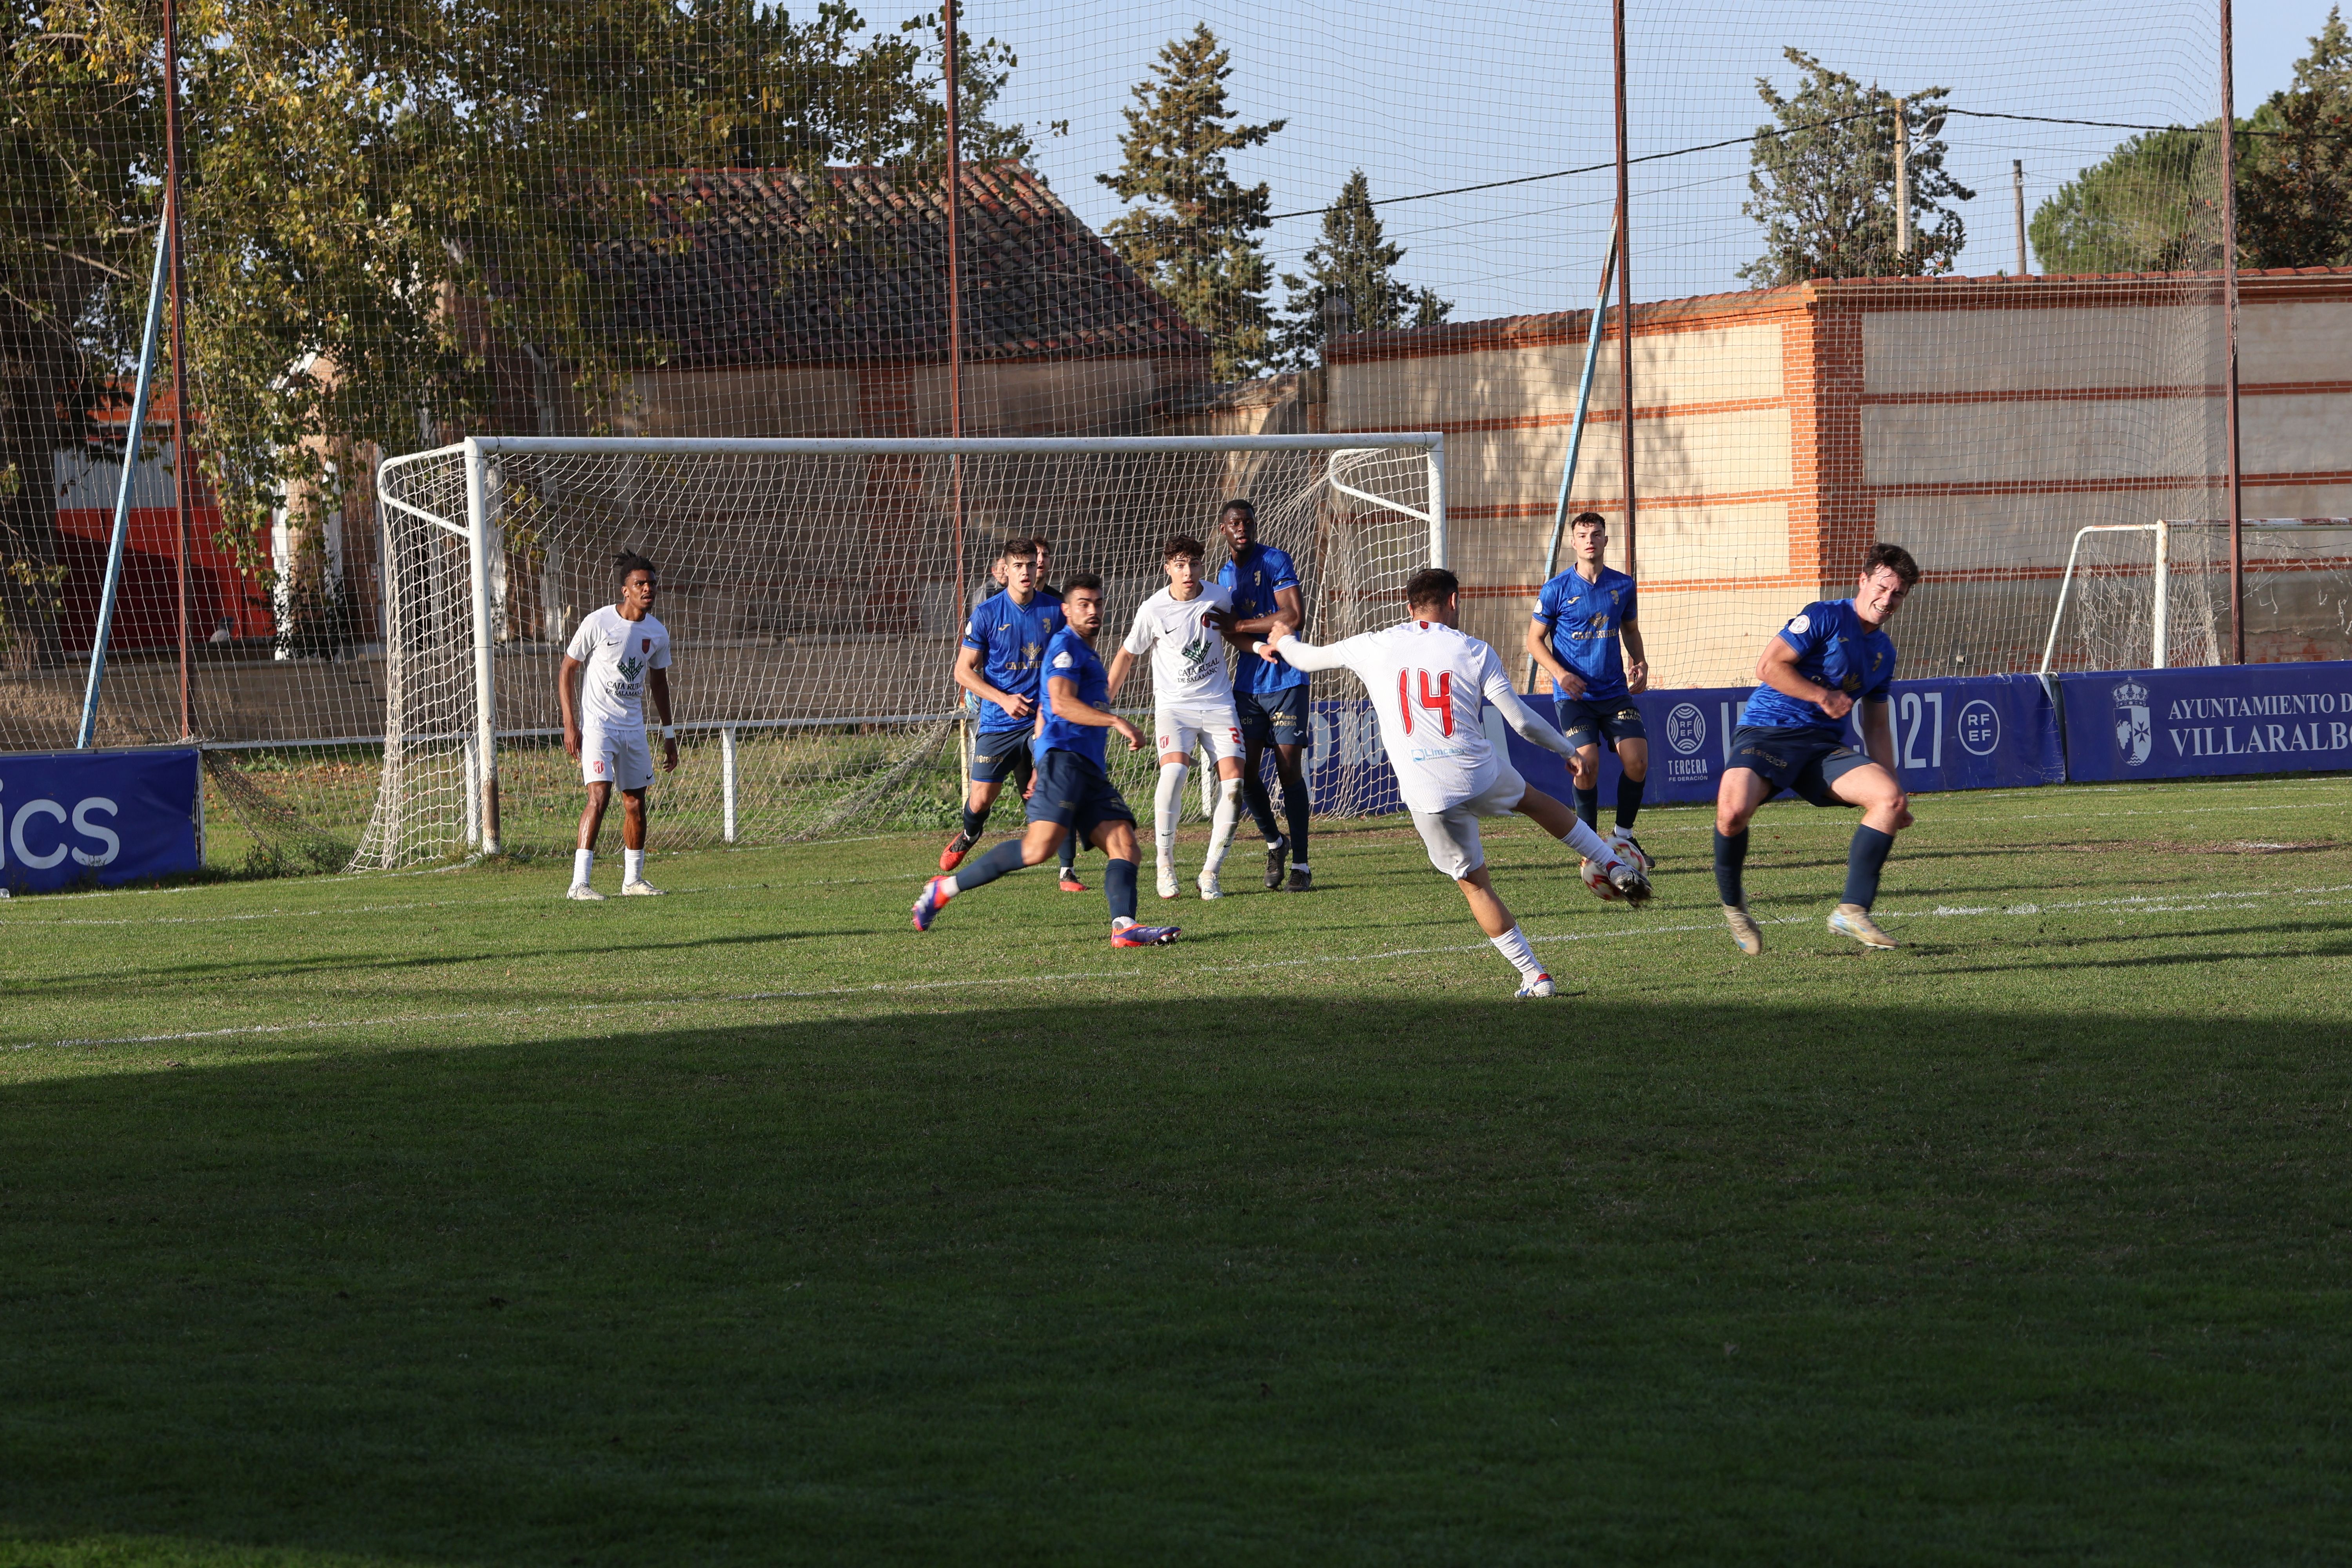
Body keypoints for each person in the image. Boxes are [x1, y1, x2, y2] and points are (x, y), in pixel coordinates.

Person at [1258, 567, 1652, 999]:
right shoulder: (1475, 650)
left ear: (1409, 608)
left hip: (1427, 791)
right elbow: (1520, 721)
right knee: (1536, 802)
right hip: (1478, 770)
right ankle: (1613, 863)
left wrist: (1282, 638)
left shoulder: (1374, 644)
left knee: (1475, 884)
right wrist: (1568, 751)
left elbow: (1305, 659)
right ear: (1454, 601)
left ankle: (1535, 976)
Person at [914, 574, 1182, 947]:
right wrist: (1115, 721)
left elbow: (1043, 711)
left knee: (1125, 845)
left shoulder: (1086, 650)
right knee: (1038, 849)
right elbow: (1060, 703)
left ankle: (1124, 927)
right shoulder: (1066, 647)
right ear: (1066, 610)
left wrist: (1039, 760)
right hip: (1068, 763)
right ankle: (943, 889)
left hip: (1084, 766)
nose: (1093, 611)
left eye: (1098, 604)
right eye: (1083, 604)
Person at [1712, 543, 1922, 955]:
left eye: (1898, 594)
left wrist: (1897, 794)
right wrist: (1820, 697)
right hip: (1767, 732)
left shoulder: (1884, 652)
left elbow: (1876, 725)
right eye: (1882, 587)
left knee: (1890, 800)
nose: (1888, 600)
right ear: (1863, 580)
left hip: (1821, 748)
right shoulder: (1825, 615)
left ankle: (1852, 910)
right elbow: (1769, 667)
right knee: (1732, 813)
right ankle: (1735, 908)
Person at [1106, 533, 1252, 900]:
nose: (1188, 572)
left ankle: (1210, 872)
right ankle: (1165, 865)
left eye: (1194, 564)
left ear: (1202, 565)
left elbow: (1236, 633)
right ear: (1167, 567)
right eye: (1180, 565)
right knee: (1173, 773)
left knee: (1234, 787)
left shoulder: (1219, 597)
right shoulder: (1153, 609)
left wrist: (1266, 645)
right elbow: (1127, 655)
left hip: (1220, 705)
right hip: (1175, 708)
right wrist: (1102, 703)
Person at [940, 537, 1082, 891]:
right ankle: (971, 833)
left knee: (1056, 785)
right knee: (979, 800)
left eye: (1031, 565)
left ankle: (1067, 871)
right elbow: (963, 671)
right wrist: (1002, 700)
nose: (1025, 572)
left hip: (1041, 721)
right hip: (999, 722)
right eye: (1018, 566)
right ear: (1005, 571)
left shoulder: (1055, 610)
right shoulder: (988, 613)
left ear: (1038, 569)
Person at [1524, 510, 1651, 873]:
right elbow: (1534, 642)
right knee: (1587, 765)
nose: (1590, 540)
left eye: (1596, 534)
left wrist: (1639, 661)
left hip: (1614, 693)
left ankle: (1624, 835)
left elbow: (1630, 630)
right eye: (1583, 535)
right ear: (1574, 542)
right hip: (1574, 698)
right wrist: (1561, 675)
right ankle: (1591, 843)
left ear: (1606, 540)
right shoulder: (1557, 589)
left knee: (1638, 761)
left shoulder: (1623, 585)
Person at [558, 550, 677, 900]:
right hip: (597, 725)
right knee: (599, 796)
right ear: (625, 590)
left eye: (651, 584)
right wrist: (570, 723)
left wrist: (669, 735)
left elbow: (659, 684)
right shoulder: (598, 622)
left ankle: (633, 881)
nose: (647, 590)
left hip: (633, 727)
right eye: (639, 584)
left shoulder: (656, 633)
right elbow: (567, 669)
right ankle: (579, 884)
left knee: (635, 804)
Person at [1214, 499, 1314, 891]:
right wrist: (1253, 643)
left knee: (1289, 768)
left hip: (1288, 678)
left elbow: (1294, 615)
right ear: (1223, 529)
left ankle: (1302, 866)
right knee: (1244, 772)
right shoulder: (1223, 576)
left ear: (1254, 527)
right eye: (1234, 523)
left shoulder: (1275, 560)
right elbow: (1229, 632)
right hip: (1249, 684)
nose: (1242, 528)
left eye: (1248, 523)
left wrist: (1240, 622)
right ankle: (1276, 842)